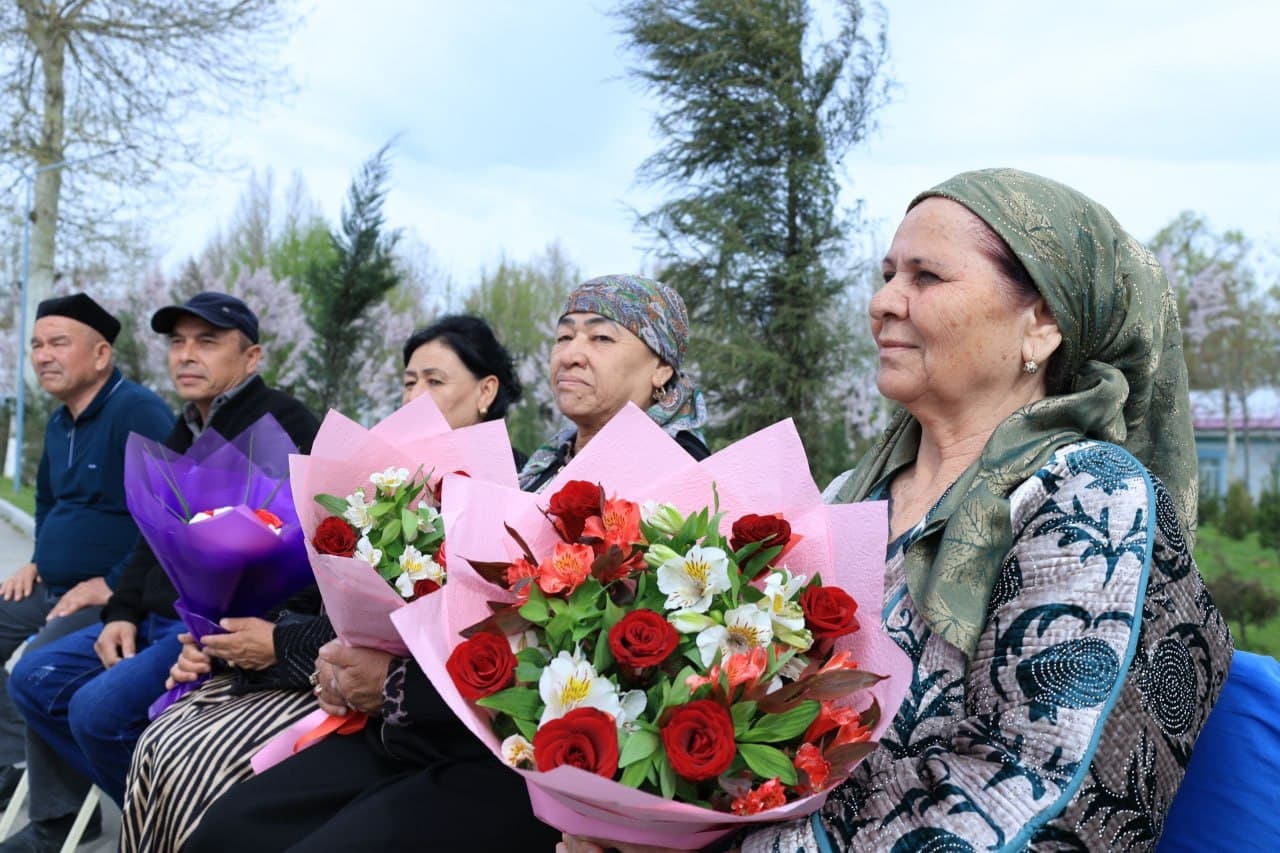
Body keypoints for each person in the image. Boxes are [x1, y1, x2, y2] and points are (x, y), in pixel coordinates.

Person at [560, 171, 1233, 853]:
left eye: (926, 276)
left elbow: (1035, 796)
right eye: (887, 275)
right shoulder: (848, 493)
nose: (883, 302)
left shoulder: (1089, 497)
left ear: (1043, 322)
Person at [183, 275, 711, 852]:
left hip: (532, 767)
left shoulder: (679, 484)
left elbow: (619, 666)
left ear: (662, 368)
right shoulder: (540, 468)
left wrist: (395, 685)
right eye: (564, 337)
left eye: (602, 339)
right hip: (429, 725)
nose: (572, 354)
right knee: (230, 830)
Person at [121, 315, 525, 853]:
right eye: (408, 382)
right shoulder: (390, 485)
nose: (415, 398)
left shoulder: (510, 491)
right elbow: (325, 599)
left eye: (434, 381)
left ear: (486, 391)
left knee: (201, 764)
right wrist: (224, 641)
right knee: (164, 743)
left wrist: (275, 644)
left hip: (417, 717)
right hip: (327, 675)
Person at [3, 292, 320, 853]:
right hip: (154, 618)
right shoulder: (184, 429)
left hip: (214, 629)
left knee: (96, 712)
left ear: (252, 358)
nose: (185, 355)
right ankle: (168, 816)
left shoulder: (286, 425)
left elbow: (297, 552)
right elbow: (150, 539)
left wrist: (219, 633)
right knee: (35, 677)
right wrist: (119, 613)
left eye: (207, 341)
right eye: (177, 342)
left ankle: (187, 828)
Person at [0, 294, 173, 811]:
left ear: (101, 355)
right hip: (52, 584)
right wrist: (37, 558)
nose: (42, 355)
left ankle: (58, 817)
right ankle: (14, 759)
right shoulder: (59, 421)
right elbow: (50, 499)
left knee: (41, 667)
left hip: (111, 598)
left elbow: (169, 512)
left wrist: (116, 581)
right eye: (36, 344)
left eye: (58, 343)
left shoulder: (138, 412)